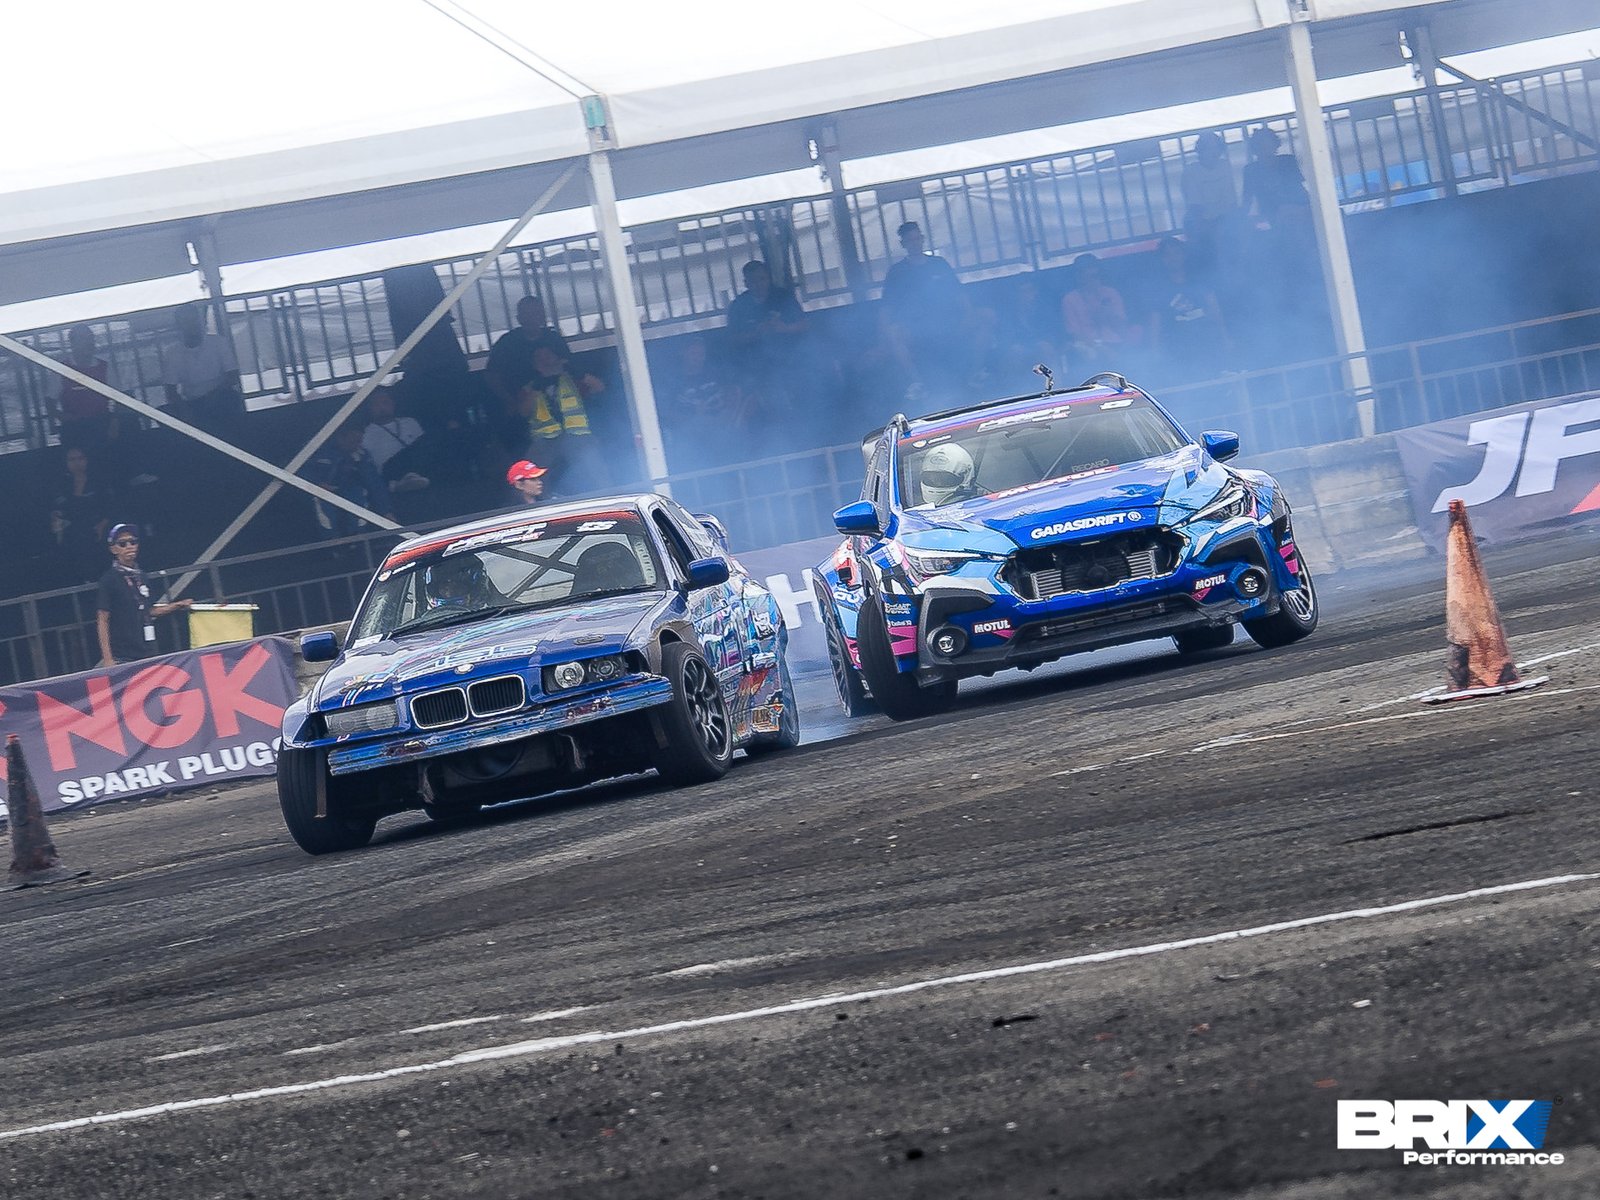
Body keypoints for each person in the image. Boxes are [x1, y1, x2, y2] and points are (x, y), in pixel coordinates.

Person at [881, 220, 972, 399]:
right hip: (915, 327)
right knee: (894, 333)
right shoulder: (897, 272)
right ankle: (917, 383)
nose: (915, 243)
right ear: (903, 244)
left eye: (917, 239)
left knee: (986, 317)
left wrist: (969, 314)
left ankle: (974, 374)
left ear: (922, 239)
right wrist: (883, 336)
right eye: (910, 240)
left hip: (948, 321)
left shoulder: (939, 263)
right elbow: (886, 307)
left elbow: (959, 293)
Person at [96, 523, 193, 667]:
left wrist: (176, 605)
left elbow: (149, 610)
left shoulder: (141, 576)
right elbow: (102, 619)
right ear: (113, 549)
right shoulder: (108, 580)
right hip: (122, 656)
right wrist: (108, 659)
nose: (129, 546)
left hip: (147, 651)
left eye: (133, 542)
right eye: (122, 544)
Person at [162, 302, 243, 435]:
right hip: (192, 402)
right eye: (186, 321)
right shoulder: (172, 352)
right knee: (163, 413)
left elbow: (233, 376)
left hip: (220, 396)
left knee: (229, 401)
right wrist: (184, 409)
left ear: (202, 321)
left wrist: (214, 395)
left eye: (194, 320)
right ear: (179, 326)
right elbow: (170, 390)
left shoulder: (218, 342)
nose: (192, 325)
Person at [307, 420, 394, 538]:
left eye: (359, 441)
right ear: (341, 438)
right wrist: (317, 484)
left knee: (358, 493)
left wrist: (386, 511)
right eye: (353, 441)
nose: (357, 445)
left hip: (350, 490)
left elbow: (374, 483)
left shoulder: (362, 455)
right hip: (320, 491)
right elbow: (302, 472)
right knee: (321, 501)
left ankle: (359, 537)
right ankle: (331, 540)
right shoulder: (318, 451)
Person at [1061, 254, 1141, 369]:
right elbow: (1075, 334)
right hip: (1088, 347)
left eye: (1096, 276)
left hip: (1114, 342)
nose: (1093, 281)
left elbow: (1122, 327)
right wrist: (1102, 348)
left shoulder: (1111, 293)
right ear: (1078, 277)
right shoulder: (1070, 299)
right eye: (1088, 277)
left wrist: (1107, 313)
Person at [50, 445, 113, 584]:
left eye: (80, 458)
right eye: (72, 459)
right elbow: (57, 508)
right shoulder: (61, 484)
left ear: (87, 460)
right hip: (71, 534)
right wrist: (56, 519)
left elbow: (110, 506)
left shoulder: (99, 481)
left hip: (97, 530)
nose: (77, 463)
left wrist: (102, 525)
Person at [55, 324, 118, 459]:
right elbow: (49, 399)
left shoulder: (105, 367)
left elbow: (121, 398)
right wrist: (61, 416)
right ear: (73, 343)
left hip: (102, 426)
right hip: (75, 430)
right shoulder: (61, 369)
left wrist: (114, 423)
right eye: (83, 339)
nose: (89, 343)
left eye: (90, 338)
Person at [1180, 132, 1238, 274]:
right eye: (1208, 148)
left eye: (1215, 147)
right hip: (1199, 219)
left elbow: (1231, 200)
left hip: (1224, 218)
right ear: (1200, 150)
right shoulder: (1191, 171)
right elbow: (1195, 206)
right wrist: (1210, 226)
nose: (1212, 152)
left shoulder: (1225, 165)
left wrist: (1230, 221)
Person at [360, 386, 431, 493]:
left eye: (385, 402)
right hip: (391, 470)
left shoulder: (410, 422)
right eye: (376, 404)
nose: (382, 407)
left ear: (392, 404)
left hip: (419, 464)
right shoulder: (365, 435)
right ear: (370, 409)